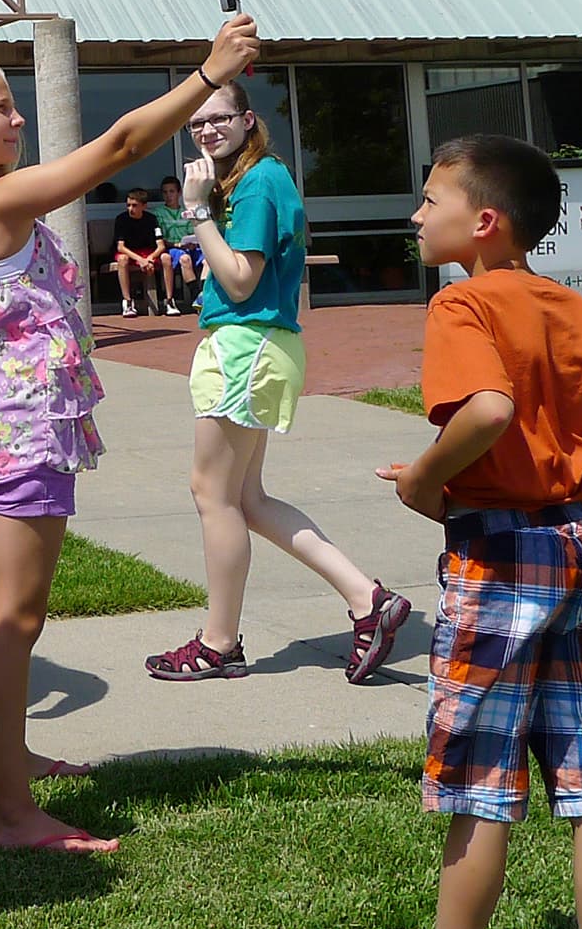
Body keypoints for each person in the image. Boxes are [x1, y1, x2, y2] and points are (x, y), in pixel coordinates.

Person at [0, 14, 262, 855]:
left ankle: (6, 767)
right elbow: (119, 146)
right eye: (2, 108)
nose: (17, 121)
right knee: (17, 613)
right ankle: (10, 812)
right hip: (23, 432)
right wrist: (205, 73)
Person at [363, 136, 582, 929]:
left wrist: (423, 480)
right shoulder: (581, 313)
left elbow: (488, 411)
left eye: (429, 200)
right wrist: (571, 472)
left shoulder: (463, 305)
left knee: (481, 781)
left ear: (483, 222)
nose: (416, 215)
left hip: (499, 557)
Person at [144, 78, 410, 685]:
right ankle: (368, 599)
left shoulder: (259, 181)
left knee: (213, 496)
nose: (208, 130)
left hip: (247, 343)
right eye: (198, 123)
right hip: (254, 344)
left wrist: (195, 210)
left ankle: (219, 643)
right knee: (246, 500)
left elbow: (240, 279)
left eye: (219, 118)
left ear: (247, 120)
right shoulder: (253, 180)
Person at [111, 188, 177, 317]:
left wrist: (150, 258)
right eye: (128, 205)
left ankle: (169, 301)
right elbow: (121, 247)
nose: (131, 209)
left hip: (148, 253)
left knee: (166, 258)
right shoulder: (121, 219)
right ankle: (128, 302)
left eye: (134, 206)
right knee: (122, 259)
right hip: (130, 252)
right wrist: (140, 260)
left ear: (144, 206)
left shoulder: (152, 220)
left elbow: (161, 245)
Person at [153, 175, 204, 293]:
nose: (168, 195)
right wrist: (177, 245)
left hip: (190, 247)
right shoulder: (158, 213)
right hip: (171, 249)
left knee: (208, 259)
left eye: (172, 191)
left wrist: (193, 243)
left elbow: (193, 234)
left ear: (179, 193)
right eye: (165, 192)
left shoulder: (186, 212)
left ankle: (206, 293)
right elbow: (159, 239)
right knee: (185, 258)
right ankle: (195, 296)